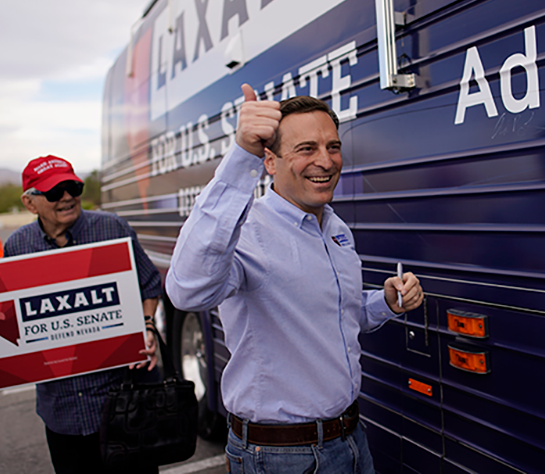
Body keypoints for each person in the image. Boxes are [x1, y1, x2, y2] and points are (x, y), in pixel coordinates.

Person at [166, 84, 424, 473]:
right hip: (281, 457)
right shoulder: (248, 231)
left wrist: (383, 302)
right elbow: (187, 290)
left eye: (333, 147)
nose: (326, 160)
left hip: (351, 441)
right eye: (306, 149)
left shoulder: (334, 227)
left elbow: (338, 317)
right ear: (269, 162)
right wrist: (240, 157)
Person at [0, 155, 162, 474]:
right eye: (54, 191)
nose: (66, 197)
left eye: (72, 186)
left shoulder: (112, 228)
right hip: (62, 413)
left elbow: (149, 284)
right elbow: (5, 318)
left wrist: (146, 325)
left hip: (123, 404)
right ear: (29, 203)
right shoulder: (18, 245)